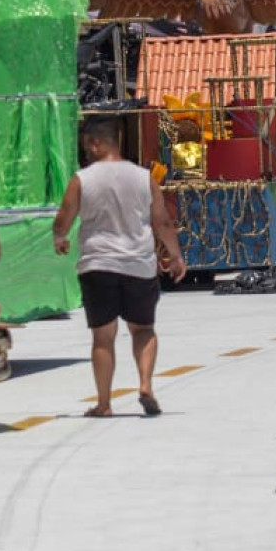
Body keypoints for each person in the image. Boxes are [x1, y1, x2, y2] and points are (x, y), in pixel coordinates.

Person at [53, 117, 186, 418]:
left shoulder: (82, 179)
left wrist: (60, 237)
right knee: (143, 330)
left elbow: (64, 217)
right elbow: (162, 221)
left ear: (96, 143)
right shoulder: (143, 177)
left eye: (86, 143)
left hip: (97, 264)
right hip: (138, 264)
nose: (85, 150)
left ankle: (104, 403)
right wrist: (176, 256)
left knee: (103, 337)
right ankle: (145, 384)